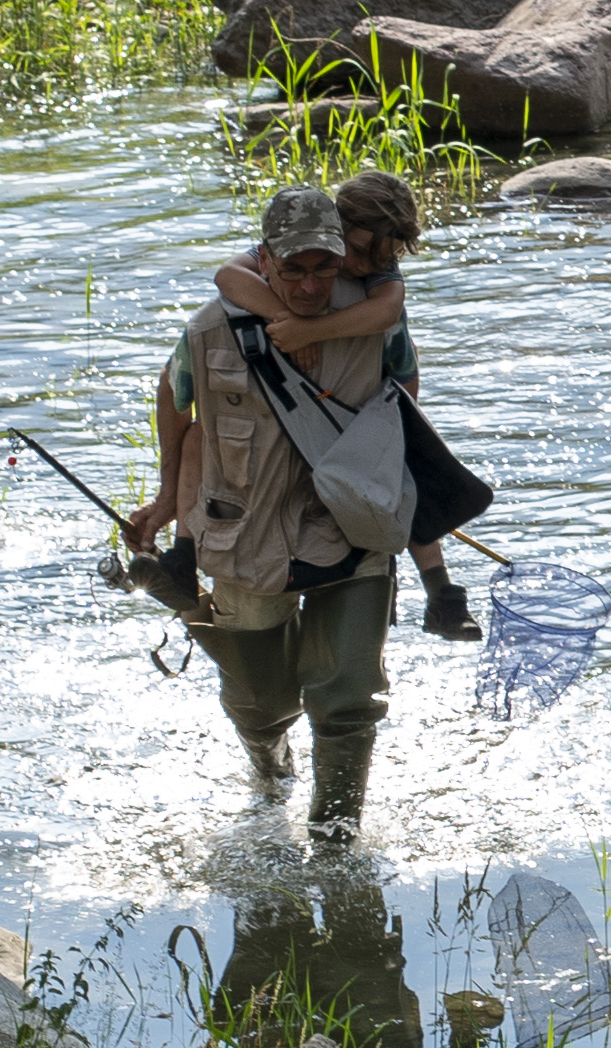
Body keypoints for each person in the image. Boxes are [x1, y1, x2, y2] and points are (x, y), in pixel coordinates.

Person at [128, 185, 411, 838]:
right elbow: (176, 397)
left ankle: (336, 841)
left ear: (341, 259)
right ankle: (269, 763)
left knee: (347, 698)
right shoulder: (209, 327)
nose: (310, 286)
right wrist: (170, 495)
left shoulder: (375, 320)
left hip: (351, 527)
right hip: (247, 534)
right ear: (265, 261)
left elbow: (406, 398)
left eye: (324, 268)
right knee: (261, 702)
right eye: (293, 271)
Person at [133, 171, 482, 643]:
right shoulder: (235, 303)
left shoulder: (379, 291)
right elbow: (223, 284)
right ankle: (184, 558)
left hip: (348, 491)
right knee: (202, 436)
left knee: (401, 461)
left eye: (380, 258)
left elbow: (390, 326)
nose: (360, 269)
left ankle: (439, 589)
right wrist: (284, 315)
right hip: (252, 520)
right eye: (354, 255)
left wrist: (311, 331)